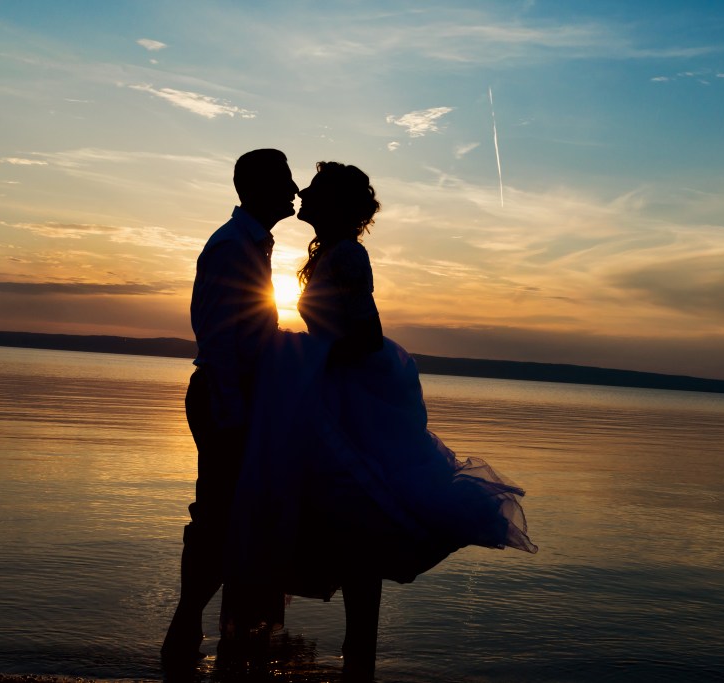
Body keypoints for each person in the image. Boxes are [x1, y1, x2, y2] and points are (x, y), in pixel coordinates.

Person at [224, 161, 537, 681]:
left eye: (316, 189)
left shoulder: (347, 254)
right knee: (350, 525)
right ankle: (357, 658)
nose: (303, 191)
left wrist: (309, 355)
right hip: (338, 393)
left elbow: (367, 335)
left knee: (361, 523)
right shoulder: (332, 253)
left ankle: (359, 654)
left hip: (355, 397)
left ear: (339, 205)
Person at [161, 149, 300, 664]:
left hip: (241, 397)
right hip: (225, 398)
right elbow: (217, 339)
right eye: (286, 179)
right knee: (216, 516)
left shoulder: (252, 244)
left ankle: (231, 634)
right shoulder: (231, 247)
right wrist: (233, 412)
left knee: (236, 516)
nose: (296, 189)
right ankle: (185, 628)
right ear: (257, 187)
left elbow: (249, 331)